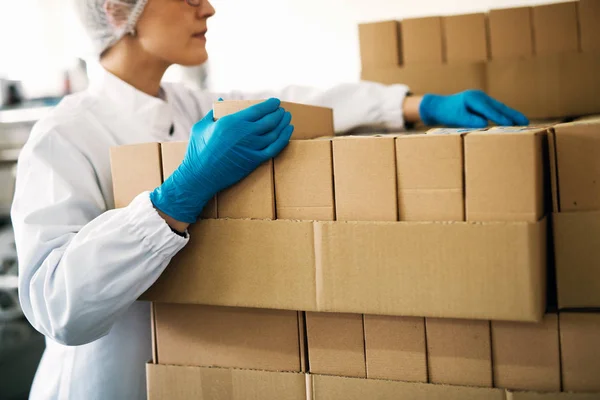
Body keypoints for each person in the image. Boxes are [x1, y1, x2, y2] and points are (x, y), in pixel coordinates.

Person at [11, 0, 529, 398]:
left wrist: (416, 105)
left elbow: (295, 104)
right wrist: (177, 195)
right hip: (103, 385)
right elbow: (57, 305)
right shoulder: (66, 133)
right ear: (118, 9)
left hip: (187, 373)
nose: (208, 7)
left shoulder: (191, 103)